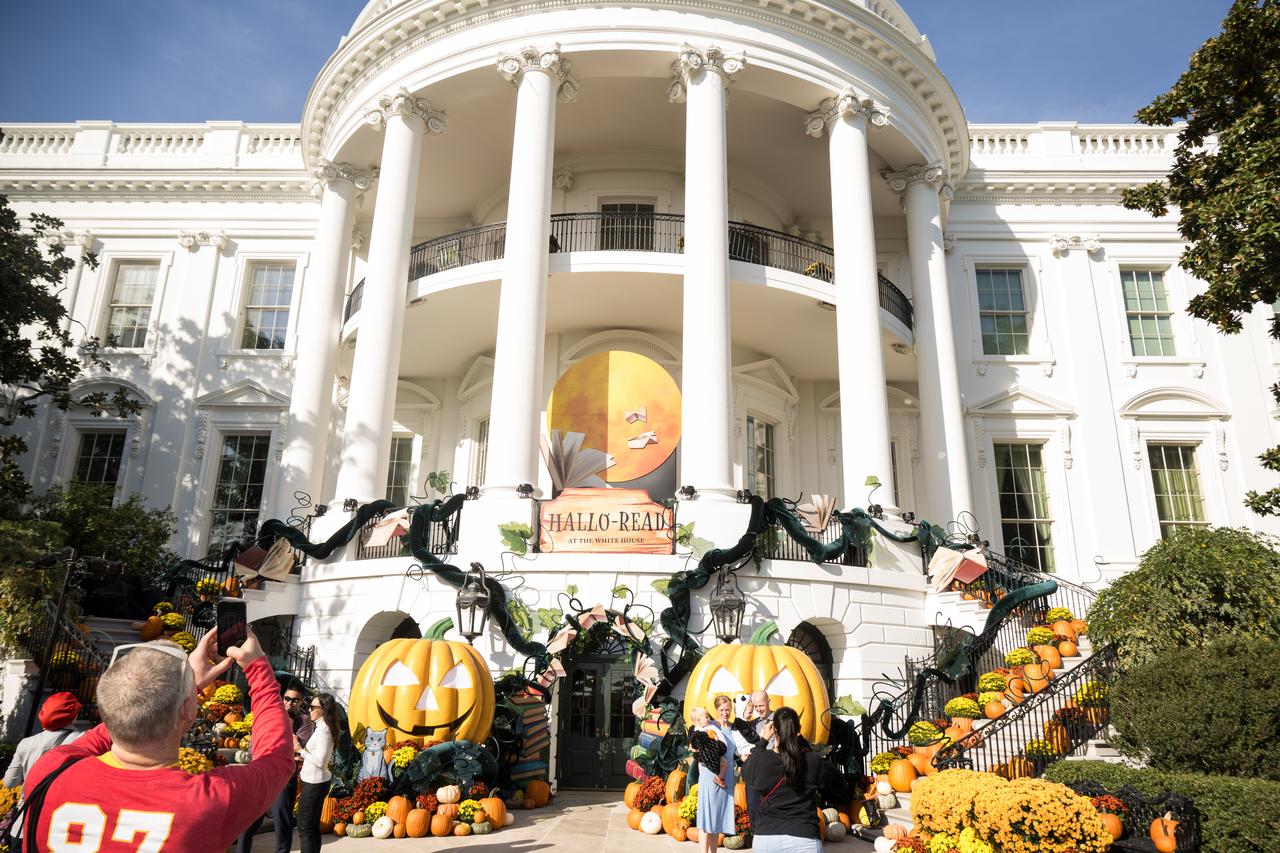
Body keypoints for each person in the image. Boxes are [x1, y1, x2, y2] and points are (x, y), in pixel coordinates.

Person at [23, 627, 294, 853]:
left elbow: (121, 717)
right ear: (189, 711)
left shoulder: (50, 770)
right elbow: (278, 759)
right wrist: (258, 669)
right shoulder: (207, 801)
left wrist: (184, 686)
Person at [742, 706, 845, 853]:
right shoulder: (812, 761)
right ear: (799, 729)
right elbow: (839, 784)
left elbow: (746, 773)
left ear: (774, 730)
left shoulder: (761, 760)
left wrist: (763, 740)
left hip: (767, 837)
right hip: (804, 836)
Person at [235, 679, 315, 853]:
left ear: (301, 701)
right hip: (260, 775)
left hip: (284, 779)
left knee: (282, 828)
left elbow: (296, 749)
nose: (289, 703)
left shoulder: (303, 721)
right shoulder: (269, 715)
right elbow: (255, 743)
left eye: (294, 700)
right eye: (287, 698)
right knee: (247, 824)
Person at [3, 692, 84, 789]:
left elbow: (10, 782)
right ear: (73, 717)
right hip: (61, 802)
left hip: (30, 802)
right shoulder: (82, 740)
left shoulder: (26, 743)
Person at [295, 692, 338, 853]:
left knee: (304, 827)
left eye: (313, 707)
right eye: (309, 707)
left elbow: (321, 761)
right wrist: (303, 757)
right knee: (311, 827)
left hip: (315, 784)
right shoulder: (321, 727)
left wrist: (301, 751)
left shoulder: (324, 731)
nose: (309, 710)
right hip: (313, 781)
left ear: (324, 709)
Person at [688, 706, 734, 853]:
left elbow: (723, 744)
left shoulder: (717, 726)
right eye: (720, 710)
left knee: (715, 817)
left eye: (708, 716)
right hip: (708, 772)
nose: (707, 718)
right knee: (705, 816)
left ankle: (713, 852)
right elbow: (694, 746)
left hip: (719, 772)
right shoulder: (697, 731)